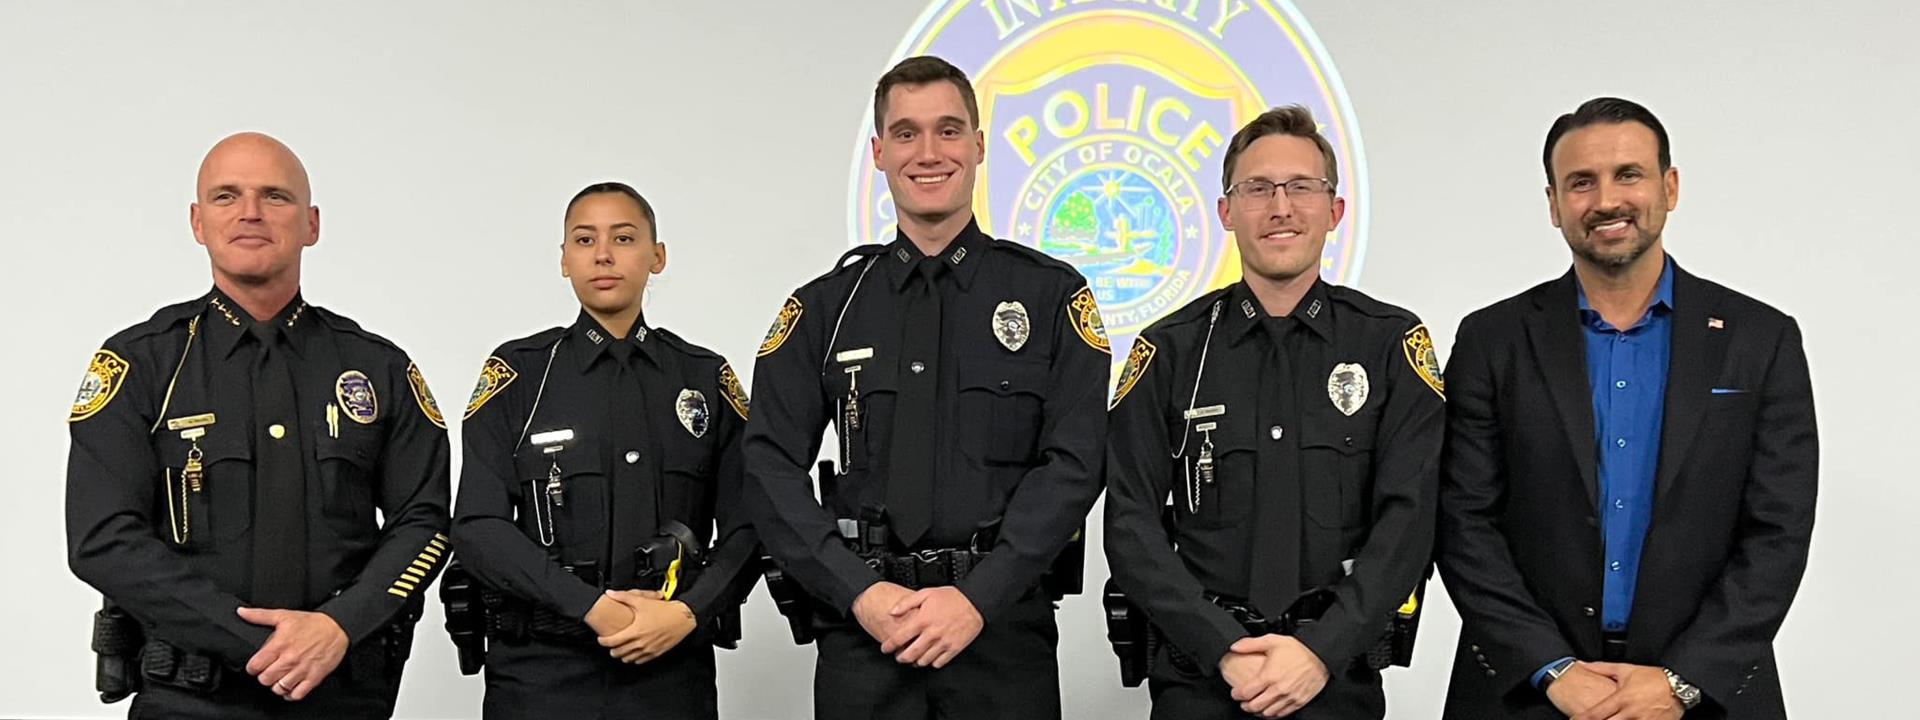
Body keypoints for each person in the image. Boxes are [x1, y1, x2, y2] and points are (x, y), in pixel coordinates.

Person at [742, 55, 1109, 719]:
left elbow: (1075, 464)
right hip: (865, 637)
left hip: (1001, 636)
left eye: (948, 129)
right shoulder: (826, 309)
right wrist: (857, 591)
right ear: (880, 153)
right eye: (906, 134)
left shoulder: (1051, 297)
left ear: (977, 146)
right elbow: (767, 466)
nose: (929, 151)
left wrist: (978, 597)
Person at [1436, 97, 1819, 720]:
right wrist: (1551, 669)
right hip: (1530, 695)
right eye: (1580, 182)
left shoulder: (1761, 338)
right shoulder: (1492, 339)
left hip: (1707, 696)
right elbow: (1462, 521)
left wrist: (1683, 681)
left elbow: (1778, 531)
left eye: (1629, 175)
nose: (1606, 200)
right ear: (1555, 204)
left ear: (1669, 187)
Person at [65, 132, 452, 717]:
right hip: (190, 697)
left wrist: (340, 626)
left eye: (275, 196)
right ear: (197, 222)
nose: (250, 212)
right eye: (226, 197)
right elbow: (103, 540)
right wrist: (263, 646)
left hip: (344, 695)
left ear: (311, 224)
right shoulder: (143, 364)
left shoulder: (377, 367)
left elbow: (424, 522)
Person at [1103, 105, 1444, 719]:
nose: (1280, 206)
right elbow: (1130, 526)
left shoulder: (1389, 345)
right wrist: (1223, 648)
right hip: (1199, 682)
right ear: (1226, 212)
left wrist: (1320, 651)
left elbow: (1408, 525)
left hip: (1336, 683)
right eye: (1257, 189)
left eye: (1301, 188)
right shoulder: (1169, 351)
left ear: (1335, 211)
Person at [447, 182, 759, 719]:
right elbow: (477, 525)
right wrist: (589, 607)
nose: (604, 254)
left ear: (656, 257)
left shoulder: (704, 378)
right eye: (585, 239)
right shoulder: (520, 375)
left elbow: (751, 522)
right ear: (564, 260)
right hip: (540, 671)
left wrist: (689, 612)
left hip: (670, 668)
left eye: (624, 237)